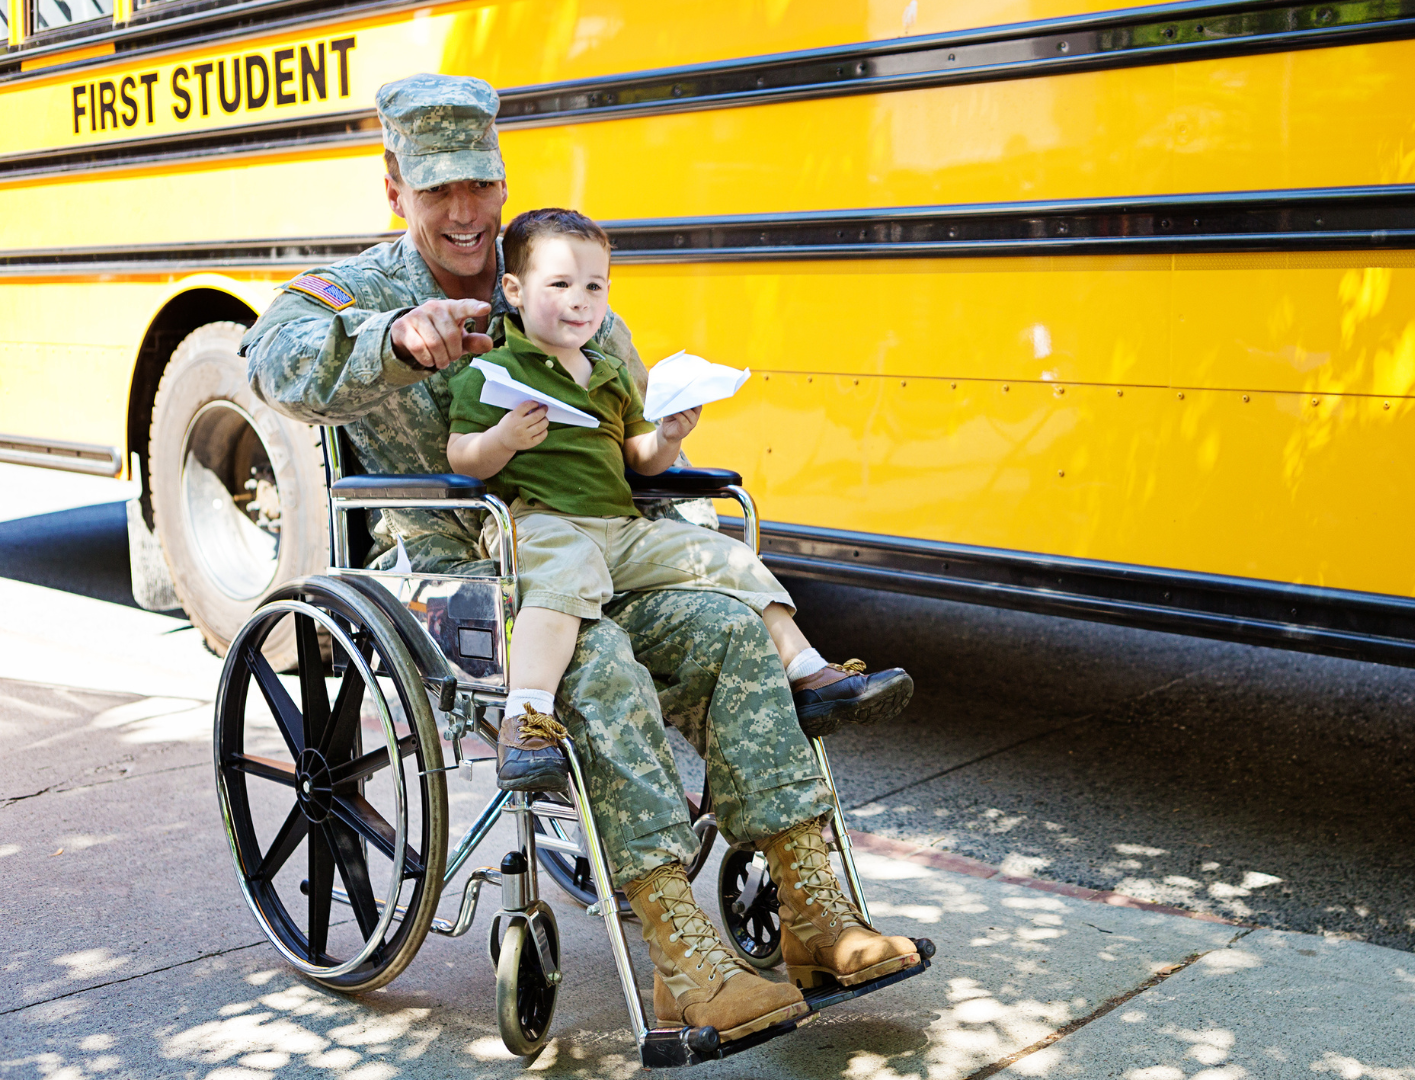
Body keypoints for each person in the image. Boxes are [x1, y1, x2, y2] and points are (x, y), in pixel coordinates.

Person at [241, 72, 921, 1043]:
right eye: (440, 192)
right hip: (458, 576)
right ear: (395, 188)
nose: (467, 212)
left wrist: (660, 437)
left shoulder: (552, 279)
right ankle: (684, 961)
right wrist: (394, 340)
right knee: (592, 669)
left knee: (728, 627)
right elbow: (276, 364)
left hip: (594, 552)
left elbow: (625, 446)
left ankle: (817, 917)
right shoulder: (356, 293)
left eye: (481, 185)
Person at [446, 206, 910, 793]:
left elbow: (638, 460)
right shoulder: (494, 368)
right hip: (541, 522)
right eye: (559, 284)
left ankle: (809, 673)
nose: (580, 300)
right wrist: (502, 439)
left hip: (619, 527)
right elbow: (462, 455)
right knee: (565, 570)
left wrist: (667, 437)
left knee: (726, 555)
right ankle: (526, 719)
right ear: (513, 290)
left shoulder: (608, 372)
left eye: (594, 285)